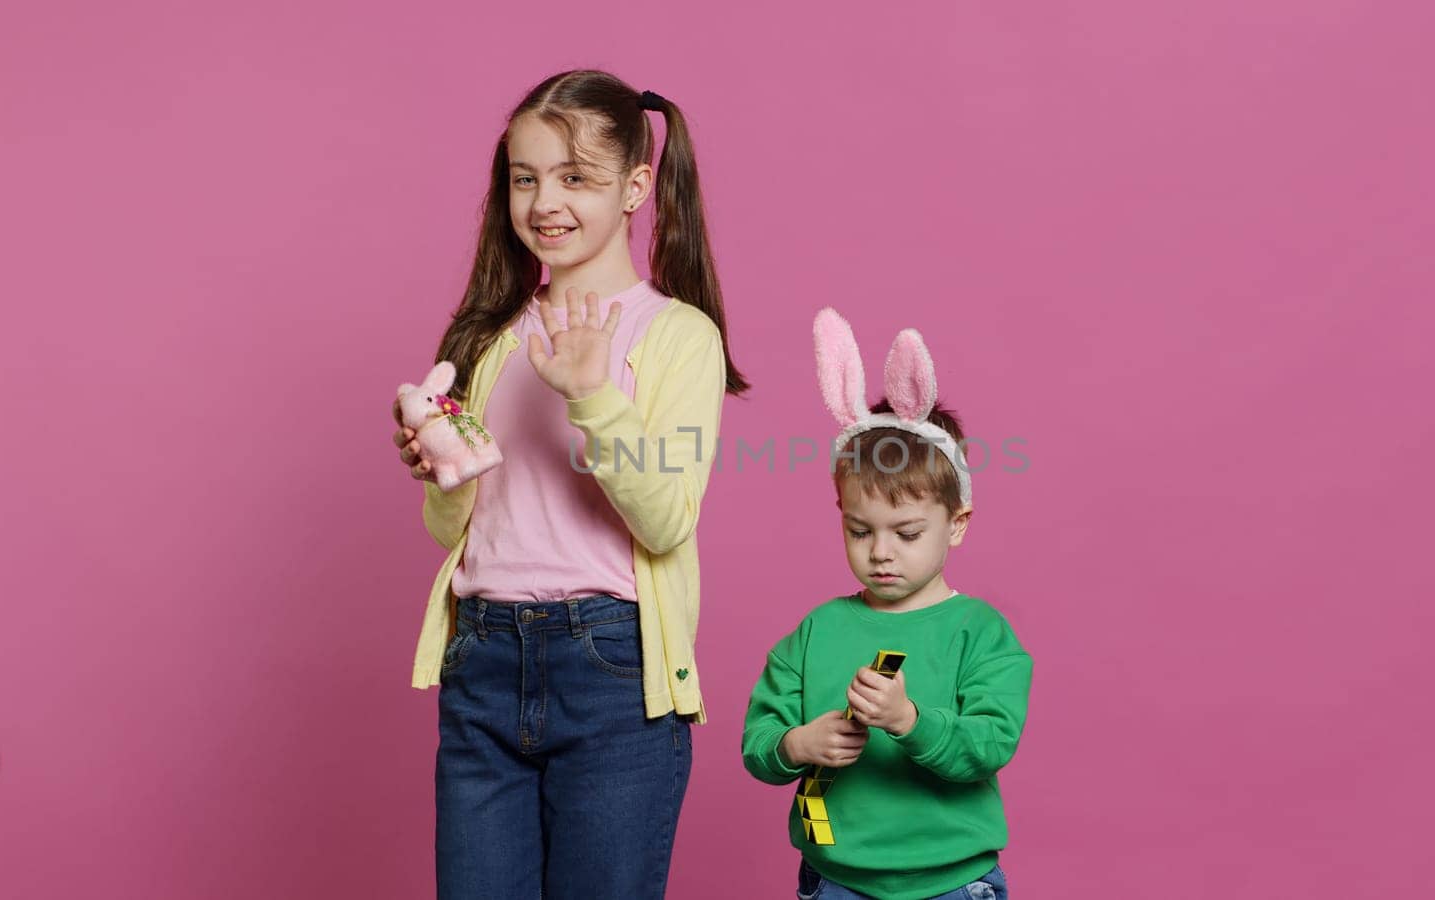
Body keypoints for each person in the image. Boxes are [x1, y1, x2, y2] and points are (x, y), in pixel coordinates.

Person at [390, 69, 748, 899]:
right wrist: (442, 465)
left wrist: (590, 394)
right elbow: (456, 532)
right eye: (525, 178)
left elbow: (664, 521)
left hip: (612, 670)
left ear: (635, 187)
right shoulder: (489, 336)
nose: (544, 201)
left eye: (574, 177)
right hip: (480, 656)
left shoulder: (676, 337)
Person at [742, 309, 1030, 899]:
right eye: (859, 530)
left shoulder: (980, 632)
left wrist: (909, 721)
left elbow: (990, 745)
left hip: (952, 881)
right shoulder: (817, 630)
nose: (880, 553)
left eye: (906, 533)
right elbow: (758, 741)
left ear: (956, 525)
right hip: (836, 881)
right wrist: (794, 745)